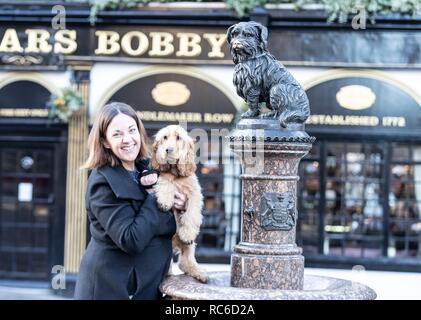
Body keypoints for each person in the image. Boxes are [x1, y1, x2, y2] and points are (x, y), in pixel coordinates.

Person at [74, 102, 186, 300]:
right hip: (113, 288)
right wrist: (157, 196)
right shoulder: (102, 182)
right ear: (106, 141)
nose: (127, 139)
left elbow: (169, 226)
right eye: (117, 134)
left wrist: (182, 205)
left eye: (132, 130)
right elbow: (131, 239)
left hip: (149, 286)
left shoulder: (149, 168)